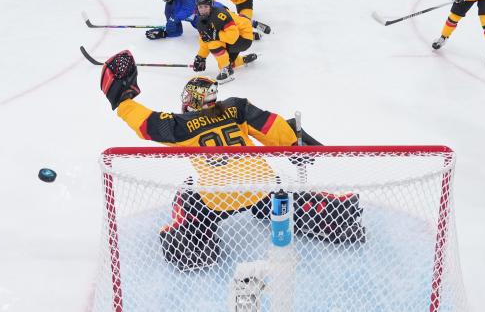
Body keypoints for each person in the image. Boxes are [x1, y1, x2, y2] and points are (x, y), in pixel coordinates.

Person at [99, 53, 366, 270]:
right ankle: (327, 211)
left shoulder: (179, 125)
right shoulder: (236, 108)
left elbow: (147, 124)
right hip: (262, 186)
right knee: (280, 196)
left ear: (191, 100)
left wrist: (123, 102)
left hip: (218, 196)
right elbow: (273, 129)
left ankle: (191, 237)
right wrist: (294, 142)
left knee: (186, 193)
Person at [193, 0, 259, 82]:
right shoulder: (200, 20)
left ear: (211, 6)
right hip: (232, 38)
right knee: (223, 61)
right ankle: (241, 61)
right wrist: (201, 57)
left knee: (214, 44)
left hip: (245, 36)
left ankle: (227, 69)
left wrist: (215, 35)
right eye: (200, 7)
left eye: (206, 6)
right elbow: (205, 39)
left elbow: (233, 36)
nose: (203, 10)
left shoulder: (220, 15)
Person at [144, 0, 241, 40]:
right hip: (203, 25)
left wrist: (174, 18)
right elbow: (177, 30)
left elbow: (189, 8)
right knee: (224, 35)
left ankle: (251, 25)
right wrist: (165, 33)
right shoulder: (168, 10)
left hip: (215, 10)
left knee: (236, 21)